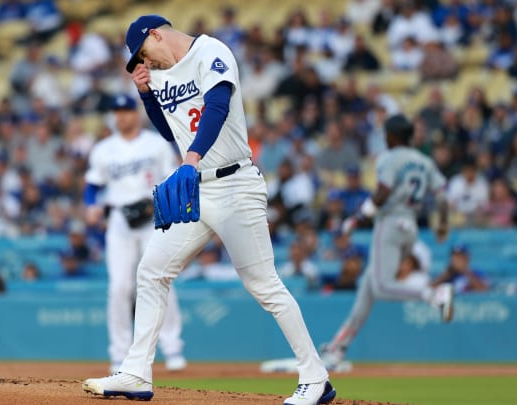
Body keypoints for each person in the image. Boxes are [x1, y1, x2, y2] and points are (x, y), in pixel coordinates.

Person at [82, 15, 335, 405]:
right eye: (138, 62)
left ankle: (315, 377)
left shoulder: (211, 51)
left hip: (235, 184)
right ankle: (135, 372)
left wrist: (191, 158)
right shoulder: (160, 76)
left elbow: (217, 106)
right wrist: (148, 95)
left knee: (264, 285)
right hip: (197, 190)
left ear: (156, 35)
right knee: (151, 271)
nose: (144, 63)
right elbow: (171, 131)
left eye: (143, 54)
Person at [319, 115, 454, 372]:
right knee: (367, 289)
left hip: (390, 222)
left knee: (381, 286)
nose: (384, 137)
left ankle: (433, 294)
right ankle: (338, 348)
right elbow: (442, 198)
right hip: (411, 226)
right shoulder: (424, 161)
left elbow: (382, 192)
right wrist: (443, 224)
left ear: (393, 136)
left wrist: (354, 220)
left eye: (386, 134)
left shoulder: (389, 158)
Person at [83, 93, 187, 374]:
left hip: (152, 216)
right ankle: (119, 354)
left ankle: (172, 347)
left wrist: (165, 209)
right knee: (119, 287)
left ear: (136, 114)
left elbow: (172, 178)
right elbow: (92, 185)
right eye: (117, 112)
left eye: (126, 111)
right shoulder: (103, 149)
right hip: (119, 219)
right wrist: (92, 206)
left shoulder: (155, 144)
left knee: (160, 280)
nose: (121, 116)